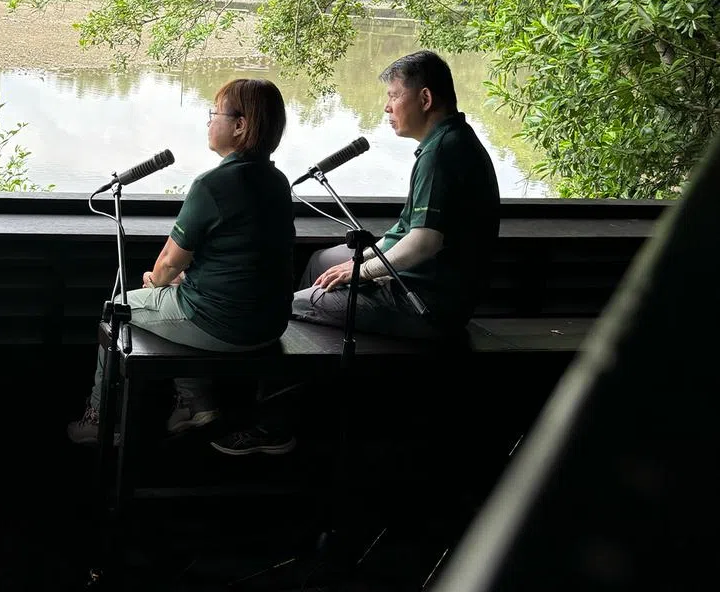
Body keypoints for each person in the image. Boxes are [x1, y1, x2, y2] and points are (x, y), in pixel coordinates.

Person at [211, 50, 501, 456]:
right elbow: (405, 232)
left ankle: (274, 423)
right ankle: (292, 396)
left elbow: (424, 242)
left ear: (425, 99)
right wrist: (358, 261)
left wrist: (359, 273)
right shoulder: (452, 140)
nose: (386, 107)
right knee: (319, 263)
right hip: (437, 287)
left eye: (394, 95)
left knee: (286, 309)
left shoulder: (443, 154)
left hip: (426, 304)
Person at [67, 78, 295, 444]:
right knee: (173, 298)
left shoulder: (214, 184)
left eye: (214, 113)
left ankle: (101, 420)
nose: (208, 121)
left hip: (224, 325)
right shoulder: (277, 180)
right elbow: (239, 256)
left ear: (240, 125)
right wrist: (175, 283)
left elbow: (169, 262)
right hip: (270, 324)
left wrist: (157, 282)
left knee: (119, 308)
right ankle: (195, 404)